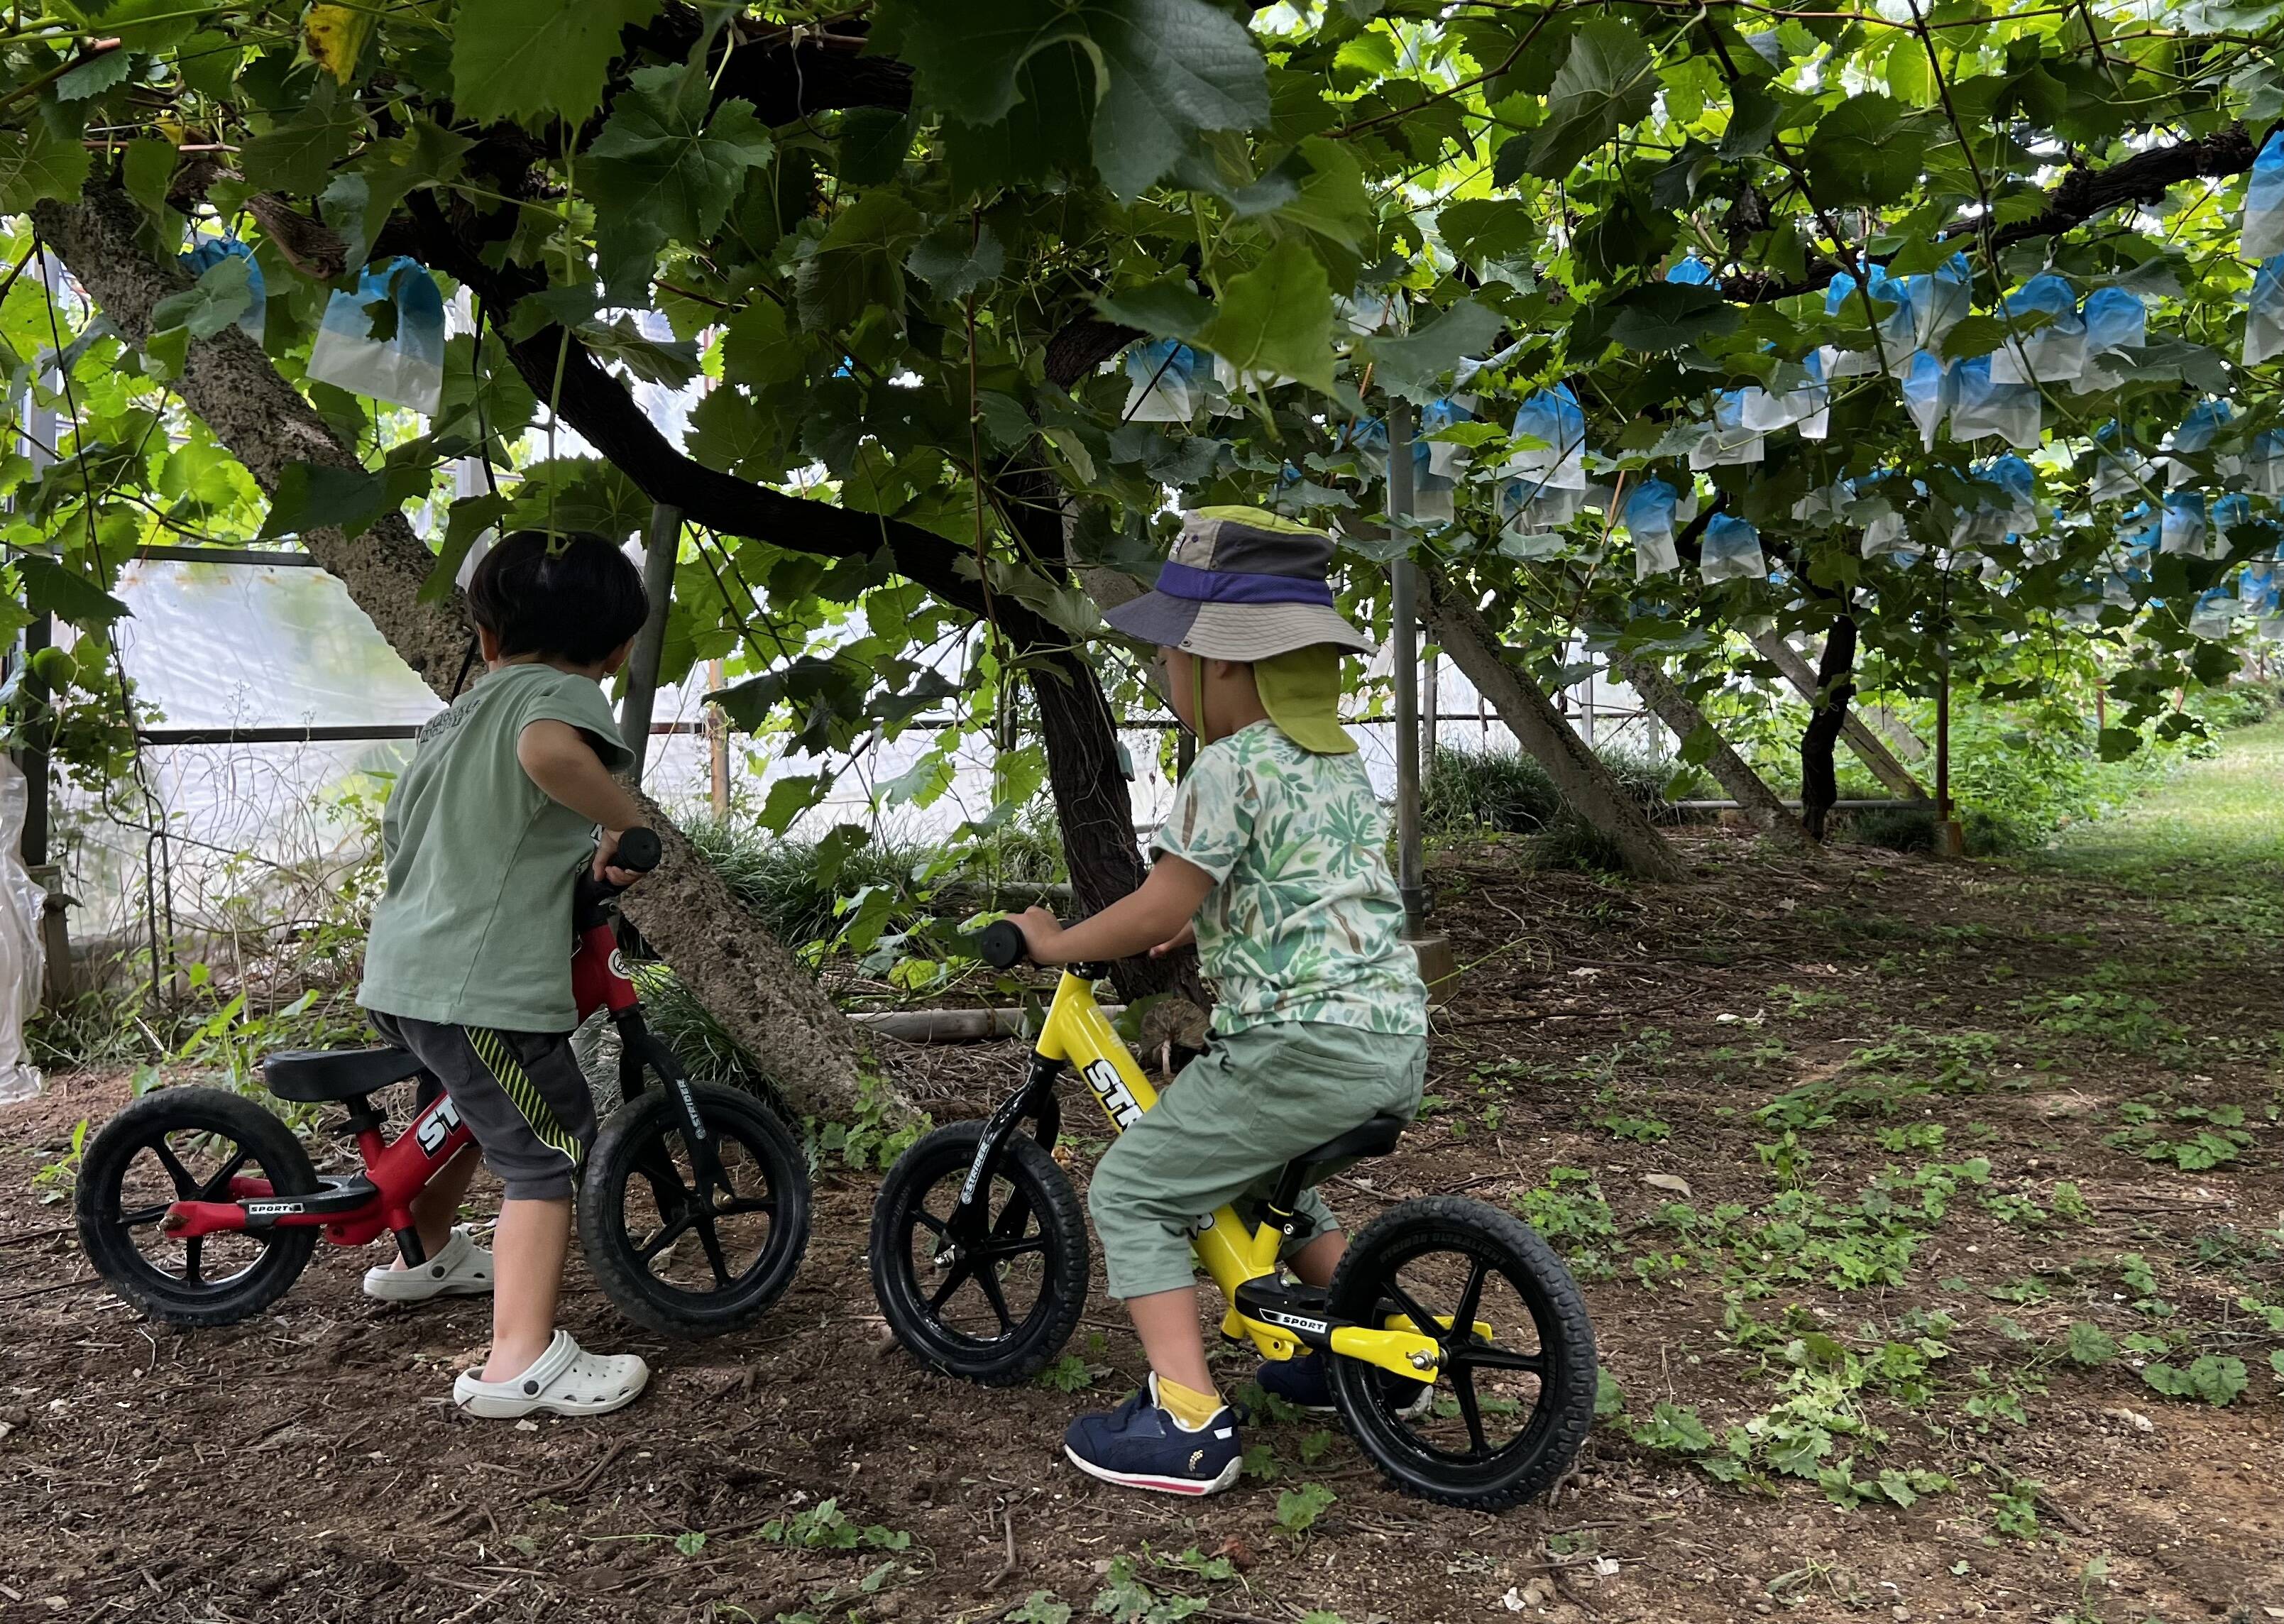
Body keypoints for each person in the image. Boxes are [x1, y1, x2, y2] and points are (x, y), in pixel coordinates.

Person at [1013, 506, 1429, 1496]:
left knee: (1132, 1189)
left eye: (1174, 654)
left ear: (1230, 667)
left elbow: (1156, 895)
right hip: (1386, 1040)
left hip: (1294, 1046)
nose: (1163, 673)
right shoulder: (1333, 761)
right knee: (1267, 1182)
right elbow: (1308, 884)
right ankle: (1376, 1344)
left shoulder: (1225, 767)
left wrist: (1058, 944)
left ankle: (1188, 1420)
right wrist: (1209, 920)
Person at [355, 529, 655, 1420]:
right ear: (618, 650)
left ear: (485, 639)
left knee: (468, 1114)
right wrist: (622, 825)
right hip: (478, 983)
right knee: (548, 1144)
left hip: (407, 968)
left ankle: (430, 1250)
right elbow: (550, 754)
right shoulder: (559, 696)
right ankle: (519, 1361)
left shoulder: (453, 720)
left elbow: (408, 833)